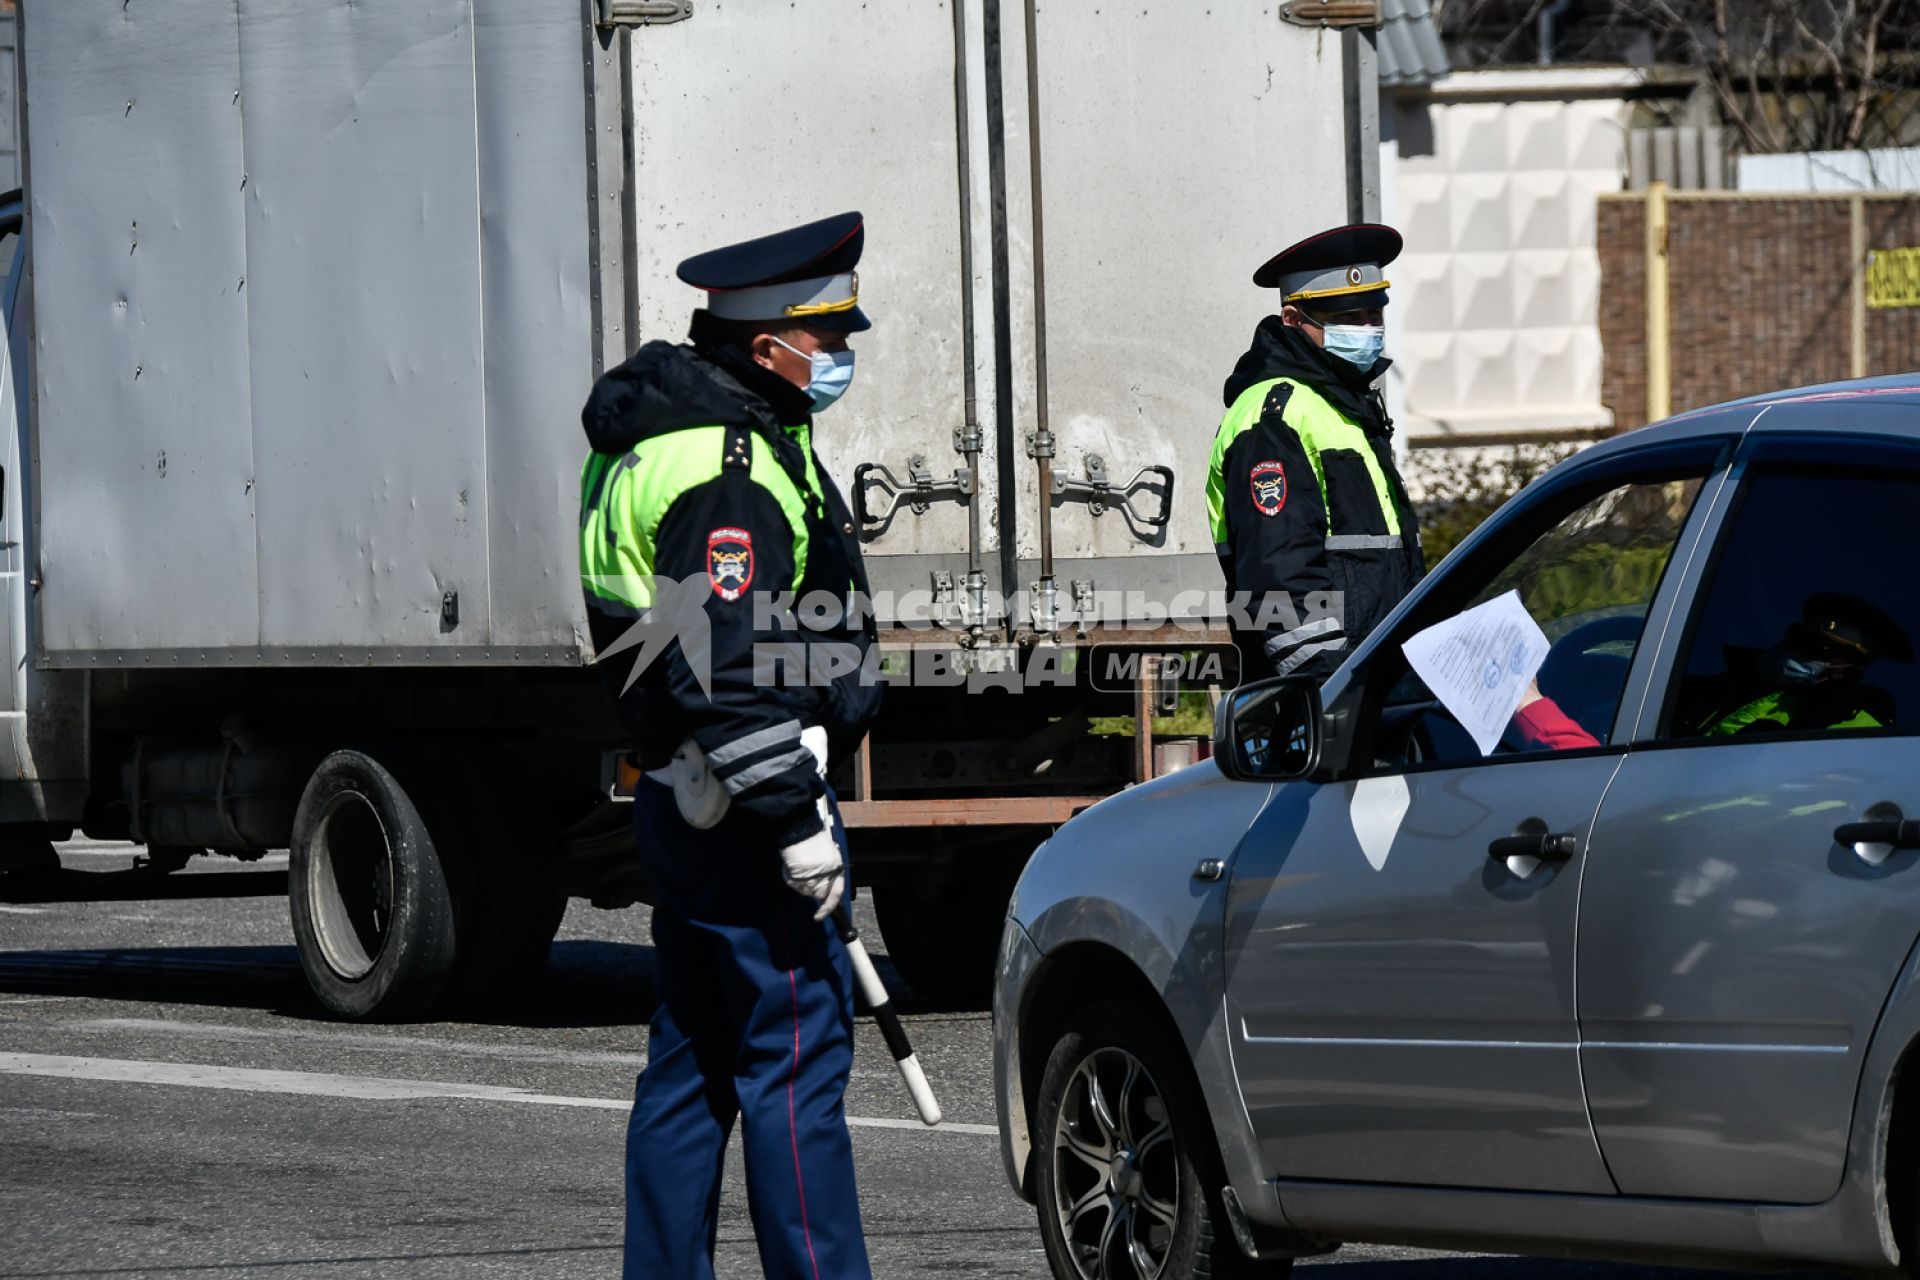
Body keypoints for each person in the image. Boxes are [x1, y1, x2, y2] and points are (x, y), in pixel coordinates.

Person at [577, 211, 883, 1280]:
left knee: (693, 1058)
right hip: (747, 802)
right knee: (795, 1063)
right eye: (827, 336)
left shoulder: (675, 439)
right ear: (767, 345)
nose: (840, 355)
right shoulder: (728, 469)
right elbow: (730, 662)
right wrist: (797, 820)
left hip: (685, 791)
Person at [1208, 223, 1425, 684]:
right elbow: (1281, 580)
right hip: (1323, 702)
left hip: (1375, 686)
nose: (1368, 330)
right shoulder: (1274, 417)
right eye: (1349, 318)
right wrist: (1334, 694)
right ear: (1292, 320)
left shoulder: (1341, 403)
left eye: (1373, 314)